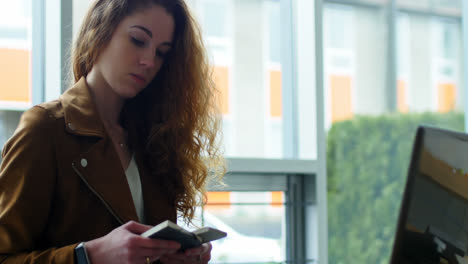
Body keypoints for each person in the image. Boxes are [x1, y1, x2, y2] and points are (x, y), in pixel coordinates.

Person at [0, 0, 225, 263]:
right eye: (138, 40)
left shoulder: (154, 140)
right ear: (101, 29)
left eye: (162, 53)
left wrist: (177, 254)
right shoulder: (44, 129)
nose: (149, 61)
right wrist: (88, 255)